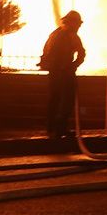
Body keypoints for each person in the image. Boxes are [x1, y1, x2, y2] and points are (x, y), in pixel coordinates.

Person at [39, 10, 86, 138]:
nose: (79, 27)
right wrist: (73, 66)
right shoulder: (72, 35)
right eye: (78, 24)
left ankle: (51, 128)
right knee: (66, 101)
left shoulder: (54, 34)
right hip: (65, 73)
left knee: (54, 99)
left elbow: (46, 51)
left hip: (54, 72)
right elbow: (82, 53)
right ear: (72, 23)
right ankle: (60, 128)